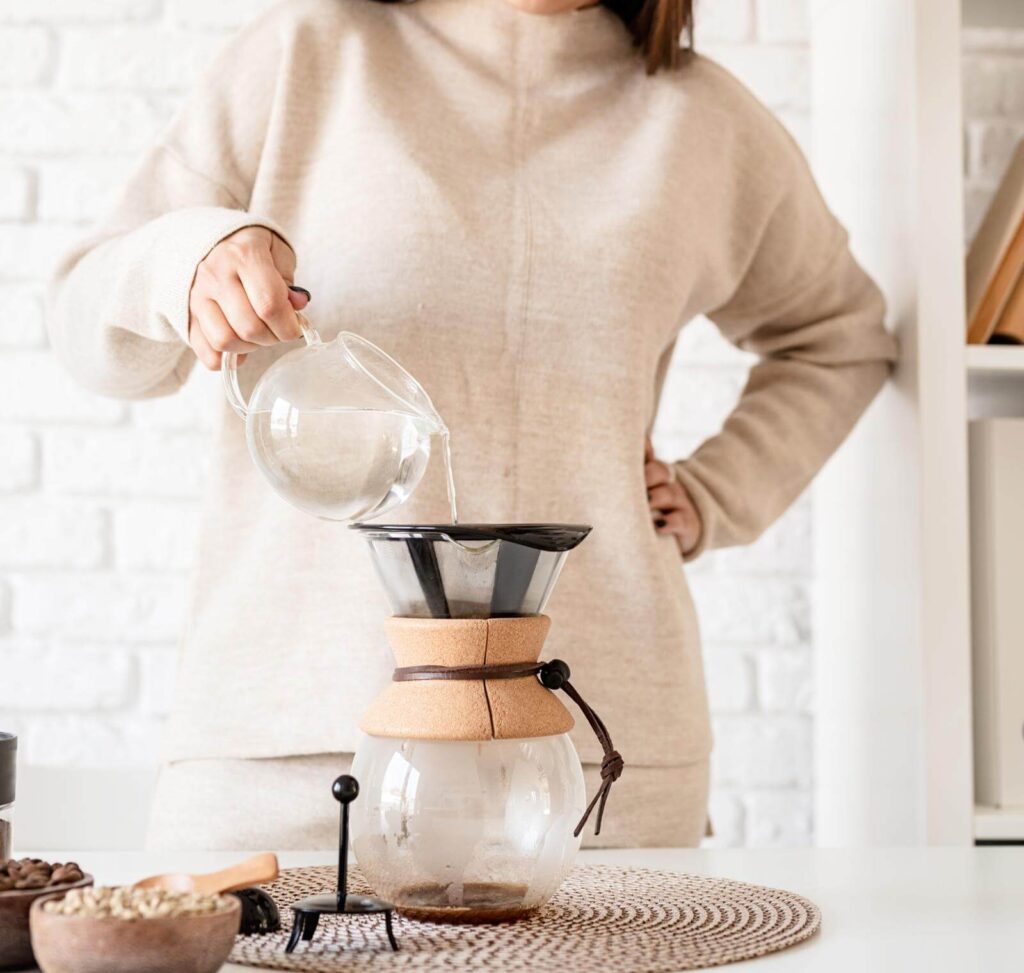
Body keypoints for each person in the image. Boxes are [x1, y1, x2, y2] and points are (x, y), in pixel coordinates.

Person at [48, 0, 897, 849]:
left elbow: (839, 336)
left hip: (595, 766)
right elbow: (86, 326)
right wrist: (187, 262)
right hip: (289, 757)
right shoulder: (306, 56)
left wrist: (716, 491)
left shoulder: (704, 122)